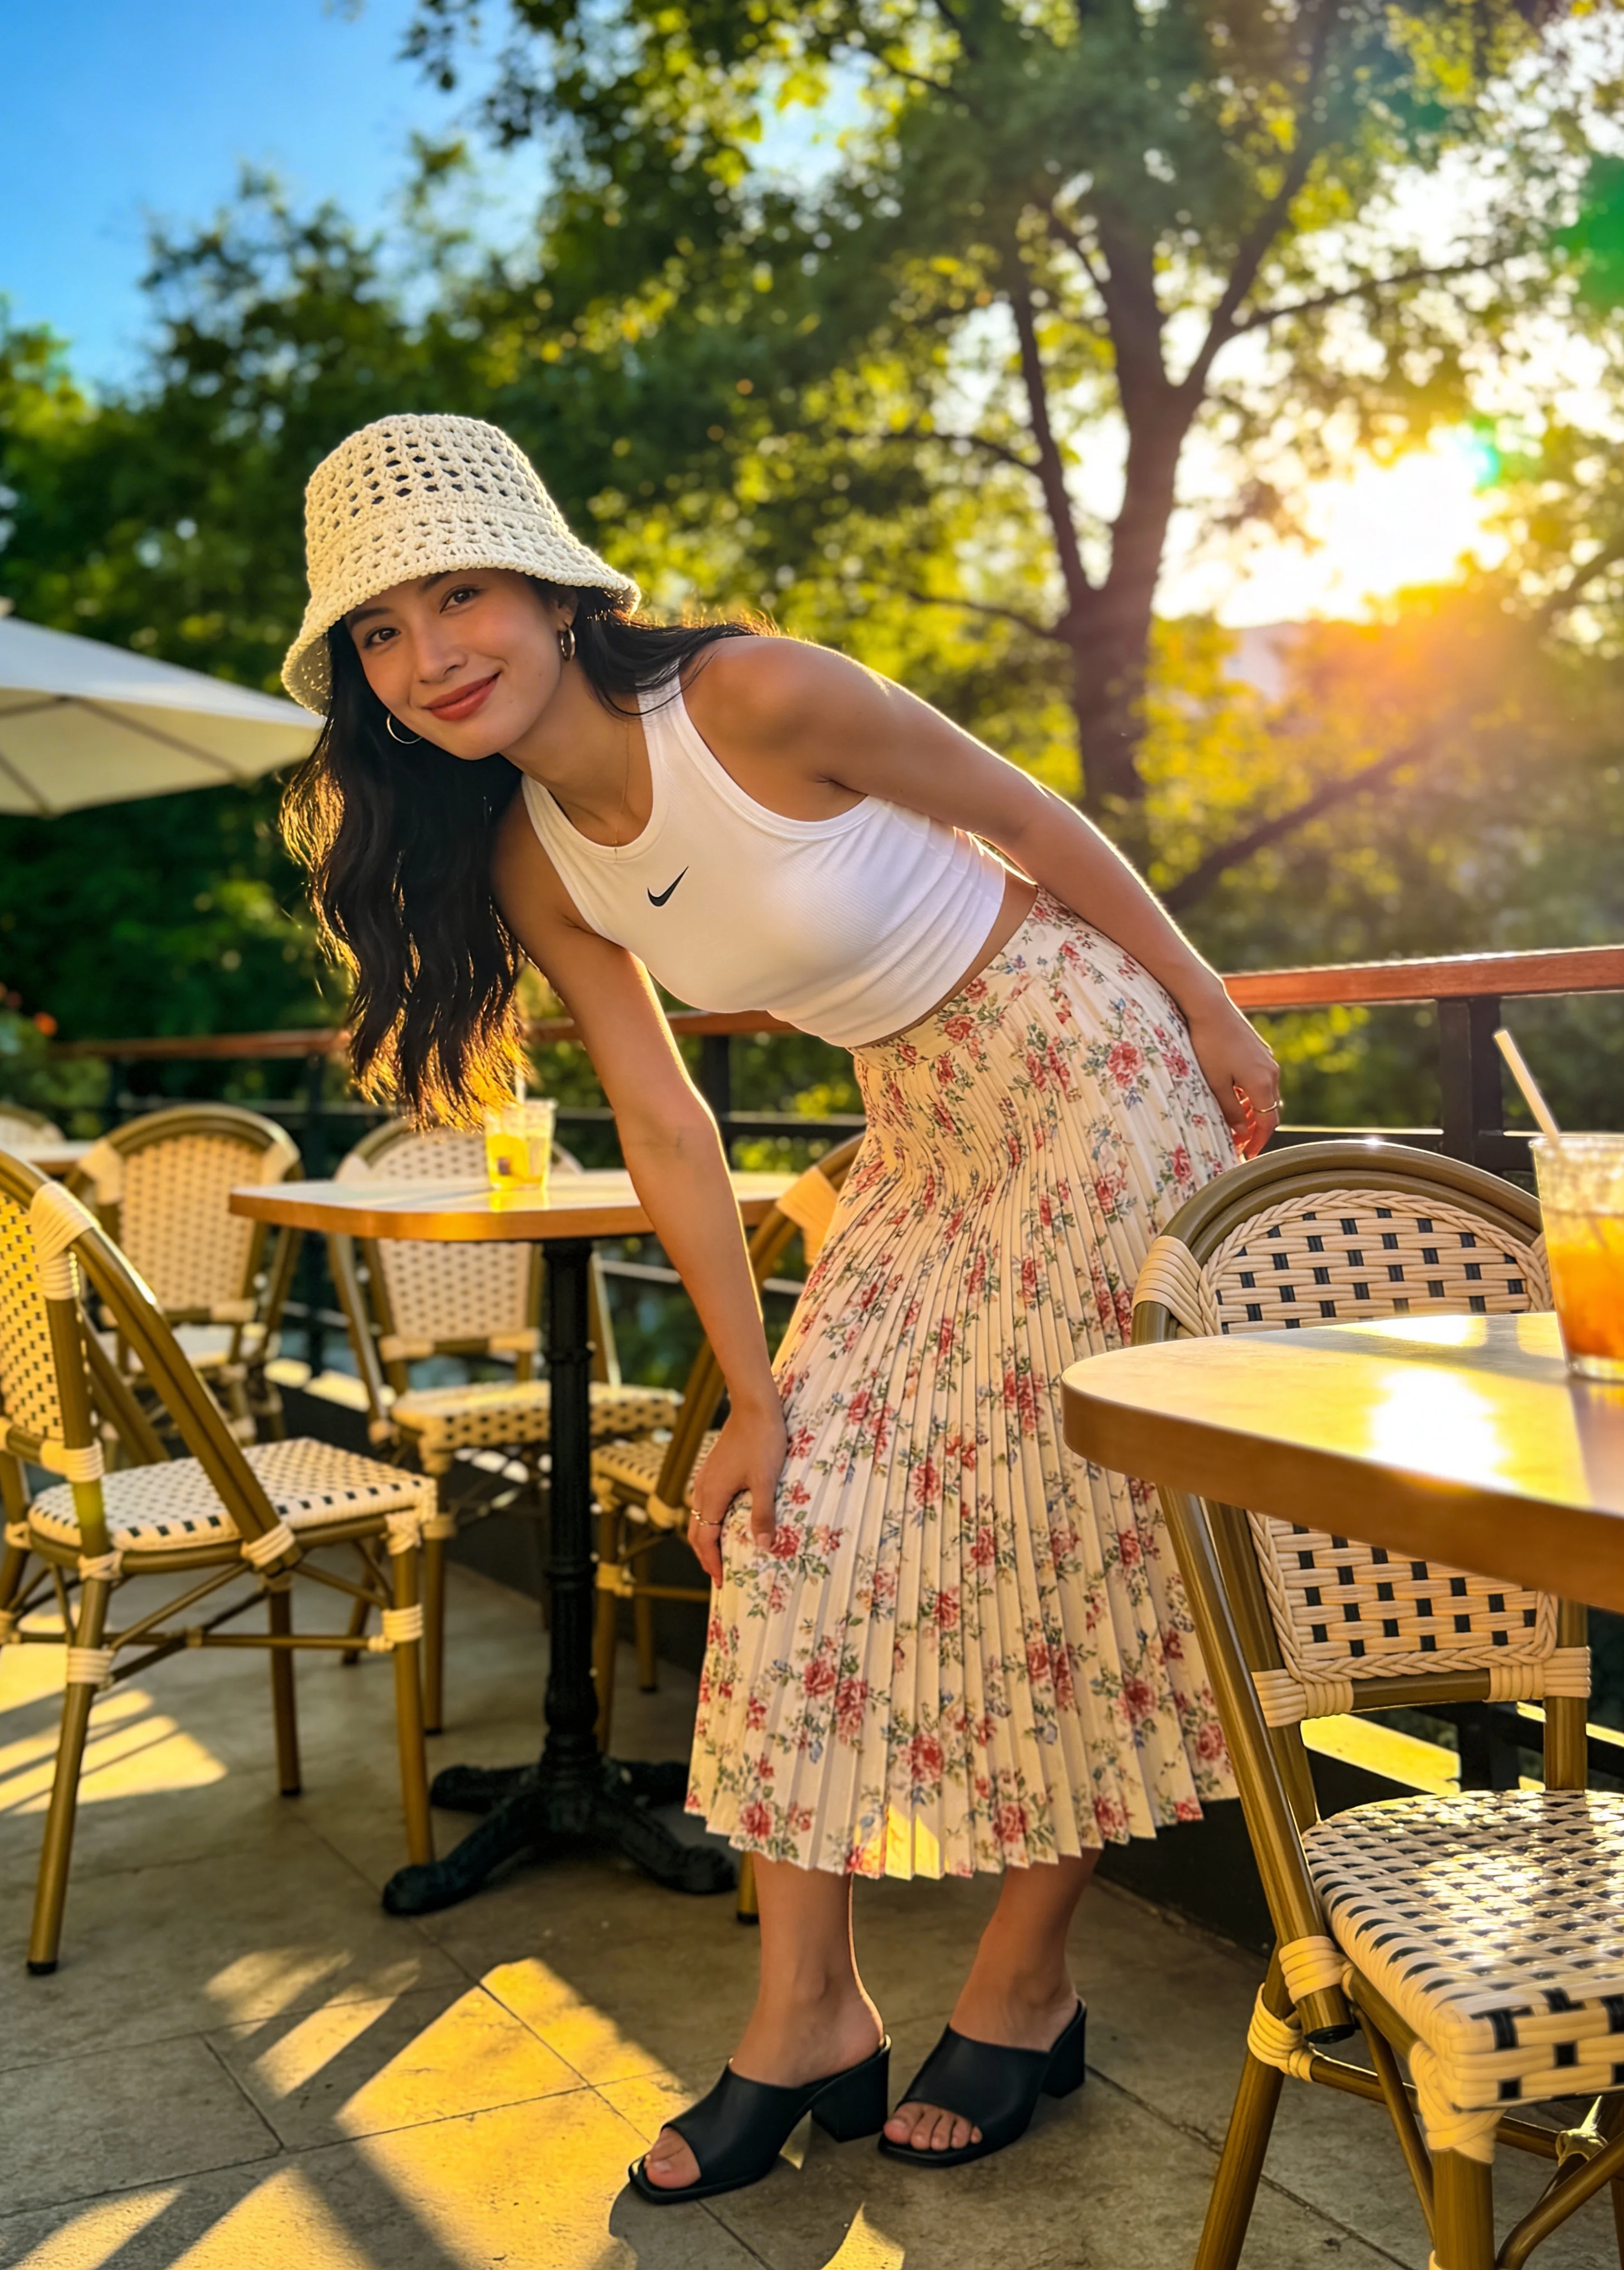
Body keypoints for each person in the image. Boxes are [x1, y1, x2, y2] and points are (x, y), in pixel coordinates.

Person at [279, 413, 1280, 2202]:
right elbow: (663, 1120)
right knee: (795, 1515)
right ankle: (806, 2014)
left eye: (458, 596)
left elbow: (1036, 821)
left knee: (1086, 1527)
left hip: (1088, 1064)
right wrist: (749, 1392)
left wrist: (1206, 1007)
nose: (428, 656)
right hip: (920, 1120)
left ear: (553, 589)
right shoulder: (531, 851)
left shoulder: (749, 698)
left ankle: (1024, 1984)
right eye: (378, 631)